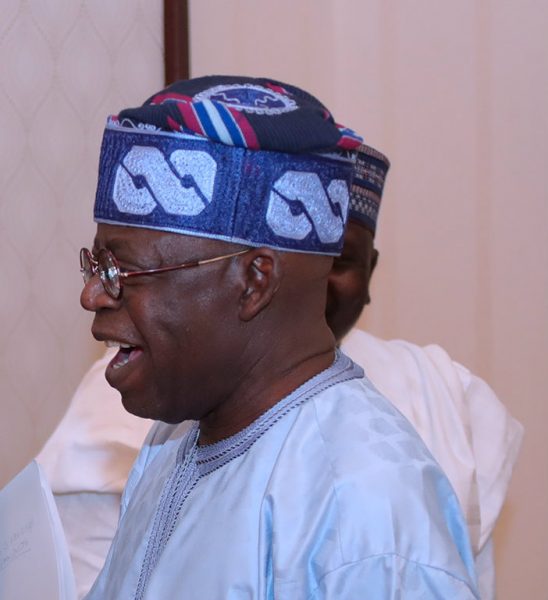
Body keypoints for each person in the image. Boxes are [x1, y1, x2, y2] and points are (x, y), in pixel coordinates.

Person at [68, 75, 479, 598]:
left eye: (123, 271)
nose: (93, 296)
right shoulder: (173, 441)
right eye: (96, 265)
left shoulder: (366, 511)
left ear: (254, 282)